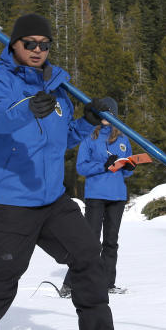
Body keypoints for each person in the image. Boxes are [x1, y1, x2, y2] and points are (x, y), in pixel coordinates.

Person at [0, 13, 137, 330]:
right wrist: (26, 109)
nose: (37, 50)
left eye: (44, 44)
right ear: (13, 45)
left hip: (52, 199)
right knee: (1, 281)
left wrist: (88, 122)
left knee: (88, 259)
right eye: (29, 43)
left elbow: (61, 139)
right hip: (9, 202)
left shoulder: (58, 88)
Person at [60, 99, 137, 298]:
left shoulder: (123, 140)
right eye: (103, 113)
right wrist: (103, 166)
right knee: (89, 241)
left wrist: (129, 168)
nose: (106, 117)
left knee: (111, 242)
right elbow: (81, 168)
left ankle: (108, 283)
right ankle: (70, 284)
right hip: (96, 196)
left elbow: (126, 171)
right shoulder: (89, 138)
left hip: (117, 196)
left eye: (110, 113)